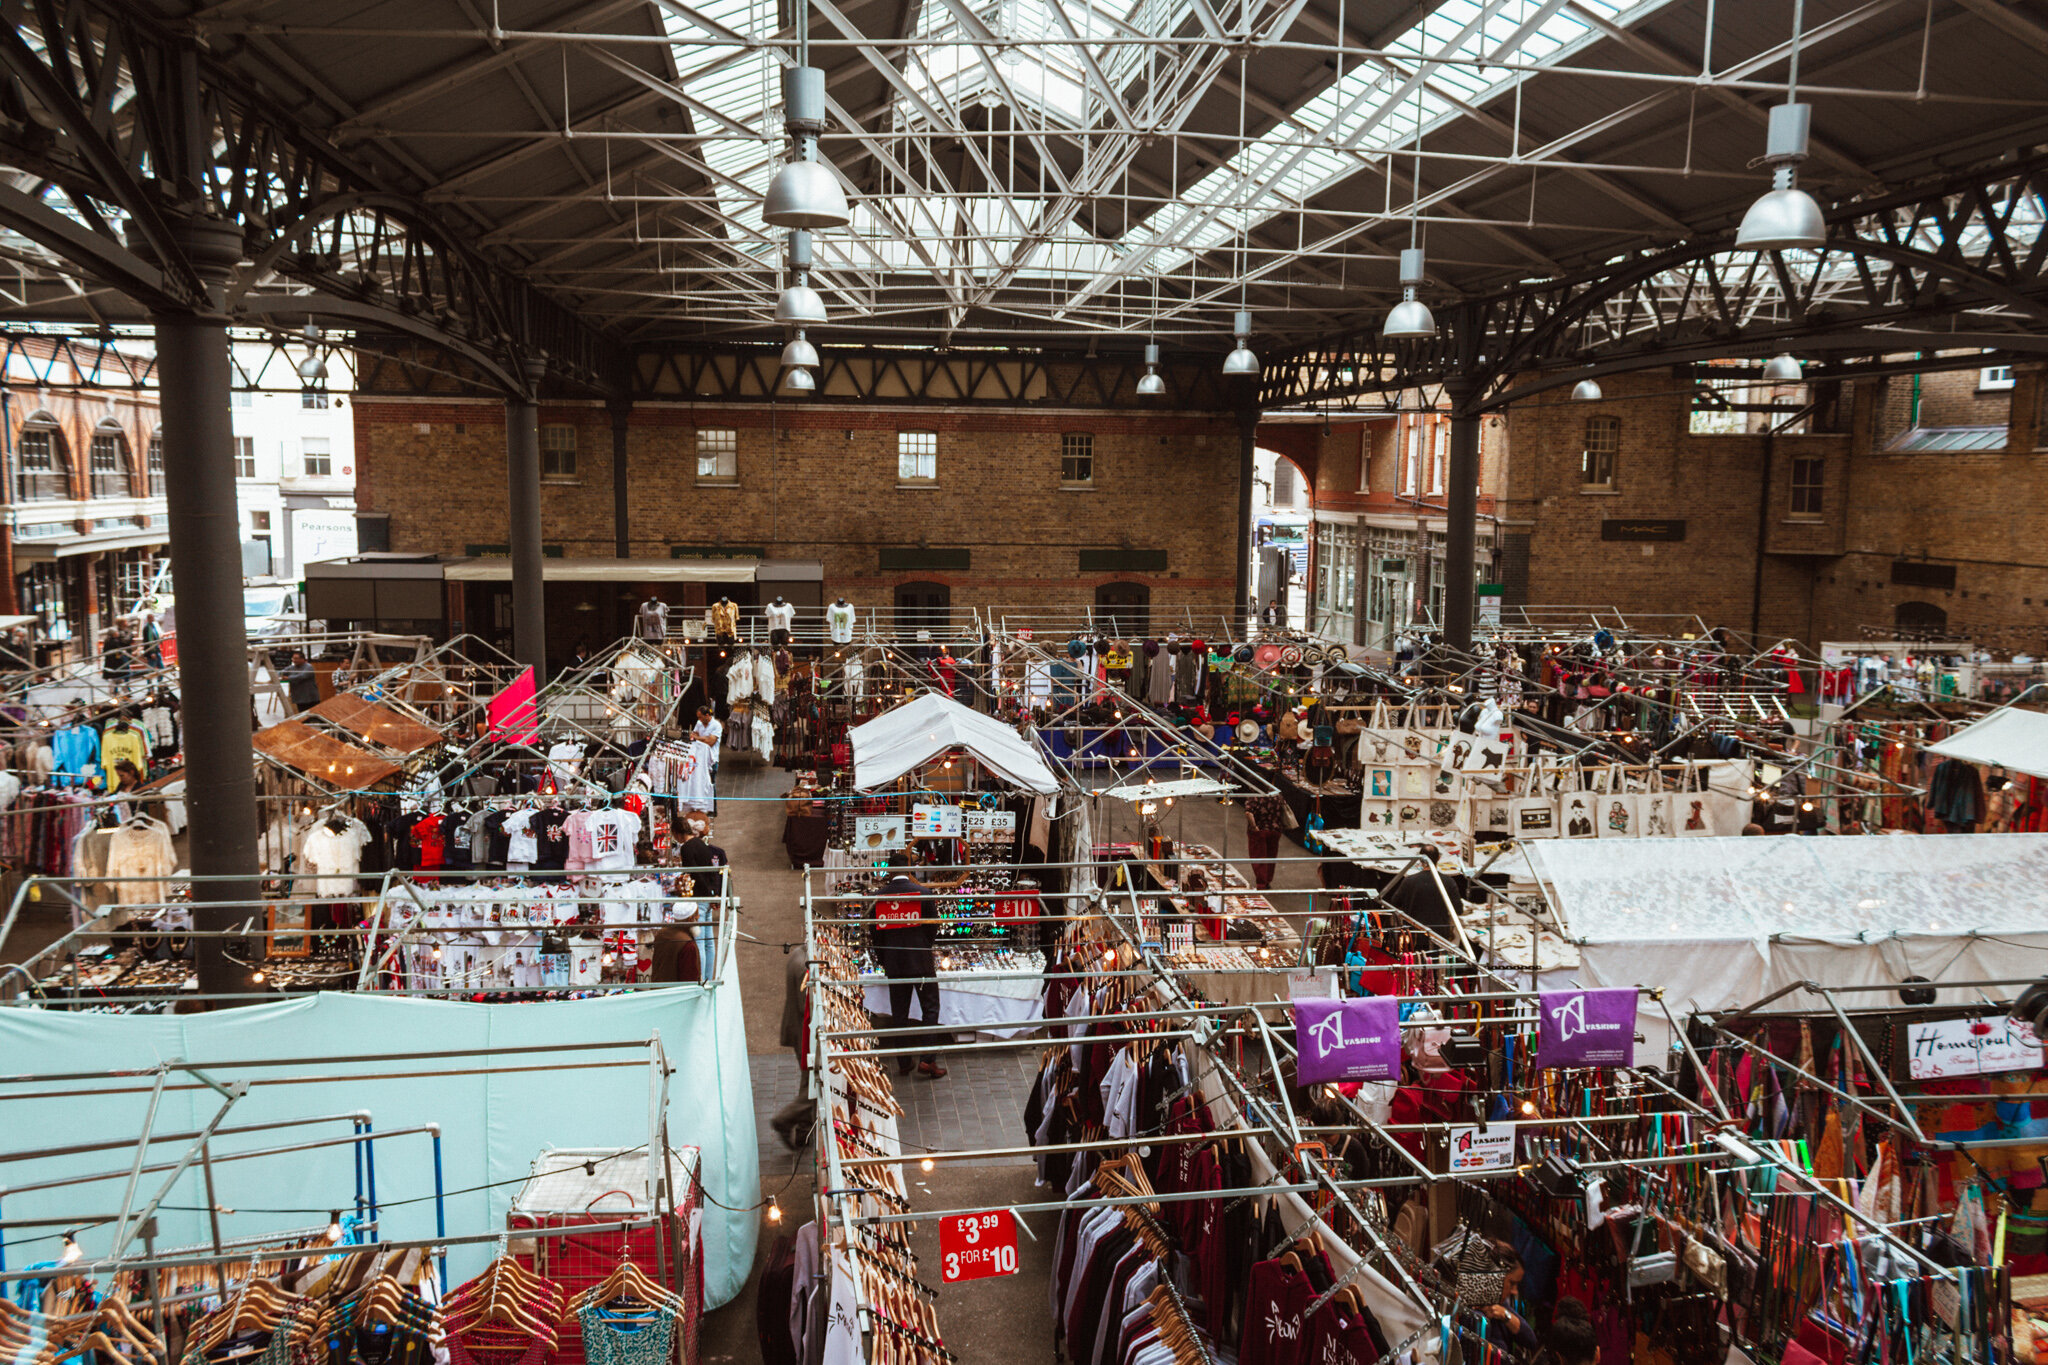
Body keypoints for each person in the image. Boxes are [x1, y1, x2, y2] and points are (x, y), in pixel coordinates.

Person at [871, 852, 968, 1079]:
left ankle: (904, 1061)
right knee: (930, 1008)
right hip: (921, 961)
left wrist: (885, 961)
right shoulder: (923, 893)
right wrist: (922, 947)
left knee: (900, 1013)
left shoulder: (880, 896)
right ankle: (927, 1060)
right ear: (910, 870)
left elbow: (875, 935)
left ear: (889, 871)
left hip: (895, 964)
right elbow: (932, 927)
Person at [769, 944, 816, 1149]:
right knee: (813, 1086)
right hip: (804, 1034)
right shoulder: (803, 966)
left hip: (799, 1030)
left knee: (809, 1081)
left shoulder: (799, 953)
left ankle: (805, 1132)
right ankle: (784, 1120)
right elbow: (806, 1006)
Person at [1243, 793, 1288, 891]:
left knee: (1259, 857)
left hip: (1260, 831)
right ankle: (1267, 881)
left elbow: (1248, 813)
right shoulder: (1277, 795)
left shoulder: (1254, 797)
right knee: (1271, 857)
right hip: (1275, 830)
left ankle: (1261, 884)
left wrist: (1254, 827)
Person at [691, 704, 724, 782]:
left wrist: (698, 738)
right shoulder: (699, 723)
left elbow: (710, 742)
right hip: (700, 757)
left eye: (700, 717)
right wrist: (706, 738)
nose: (699, 719)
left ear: (707, 715)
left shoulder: (716, 725)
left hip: (712, 759)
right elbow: (693, 736)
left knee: (711, 783)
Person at [101, 630, 133, 696]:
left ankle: (118, 693)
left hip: (110, 663)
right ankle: (124, 692)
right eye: (116, 632)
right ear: (114, 634)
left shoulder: (107, 641)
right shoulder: (114, 641)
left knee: (115, 679)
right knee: (118, 679)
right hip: (116, 663)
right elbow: (119, 650)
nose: (118, 633)